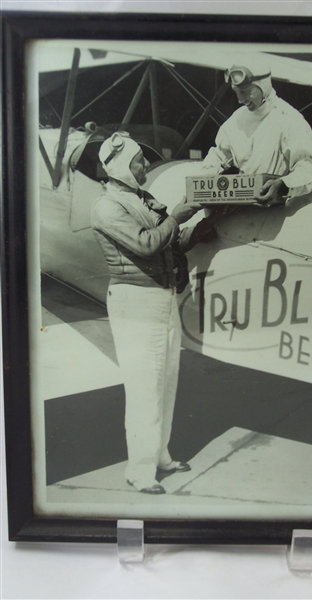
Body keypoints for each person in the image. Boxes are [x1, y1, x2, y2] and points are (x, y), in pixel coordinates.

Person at [92, 132, 210, 494]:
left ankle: (161, 456)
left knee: (166, 381)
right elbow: (146, 244)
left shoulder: (140, 199)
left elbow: (168, 240)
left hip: (160, 297)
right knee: (145, 387)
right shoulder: (107, 207)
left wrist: (198, 229)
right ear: (122, 167)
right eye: (139, 161)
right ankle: (140, 472)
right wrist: (176, 217)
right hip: (135, 301)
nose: (145, 165)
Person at [200, 56, 312, 206]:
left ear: (262, 86)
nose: (240, 99)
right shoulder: (237, 119)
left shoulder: (289, 119)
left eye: (245, 92)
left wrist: (284, 184)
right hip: (243, 211)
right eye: (236, 92)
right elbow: (219, 155)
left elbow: (310, 169)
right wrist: (207, 174)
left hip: (277, 215)